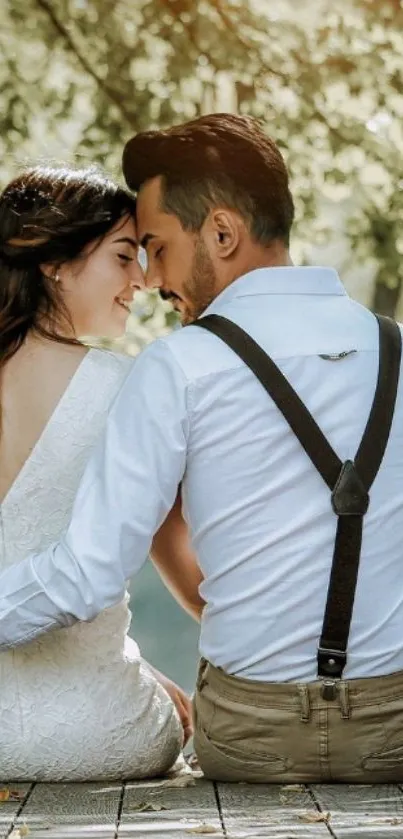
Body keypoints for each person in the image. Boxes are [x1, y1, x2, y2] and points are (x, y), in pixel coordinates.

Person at [1, 114, 403, 784]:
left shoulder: (178, 367)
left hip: (250, 736)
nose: (152, 278)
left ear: (220, 232)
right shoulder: (396, 351)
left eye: (153, 245)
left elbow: (88, 572)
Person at [0, 165, 194, 782]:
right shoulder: (131, 386)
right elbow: (185, 566)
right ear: (54, 262)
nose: (141, 280)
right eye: (123, 256)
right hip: (98, 732)